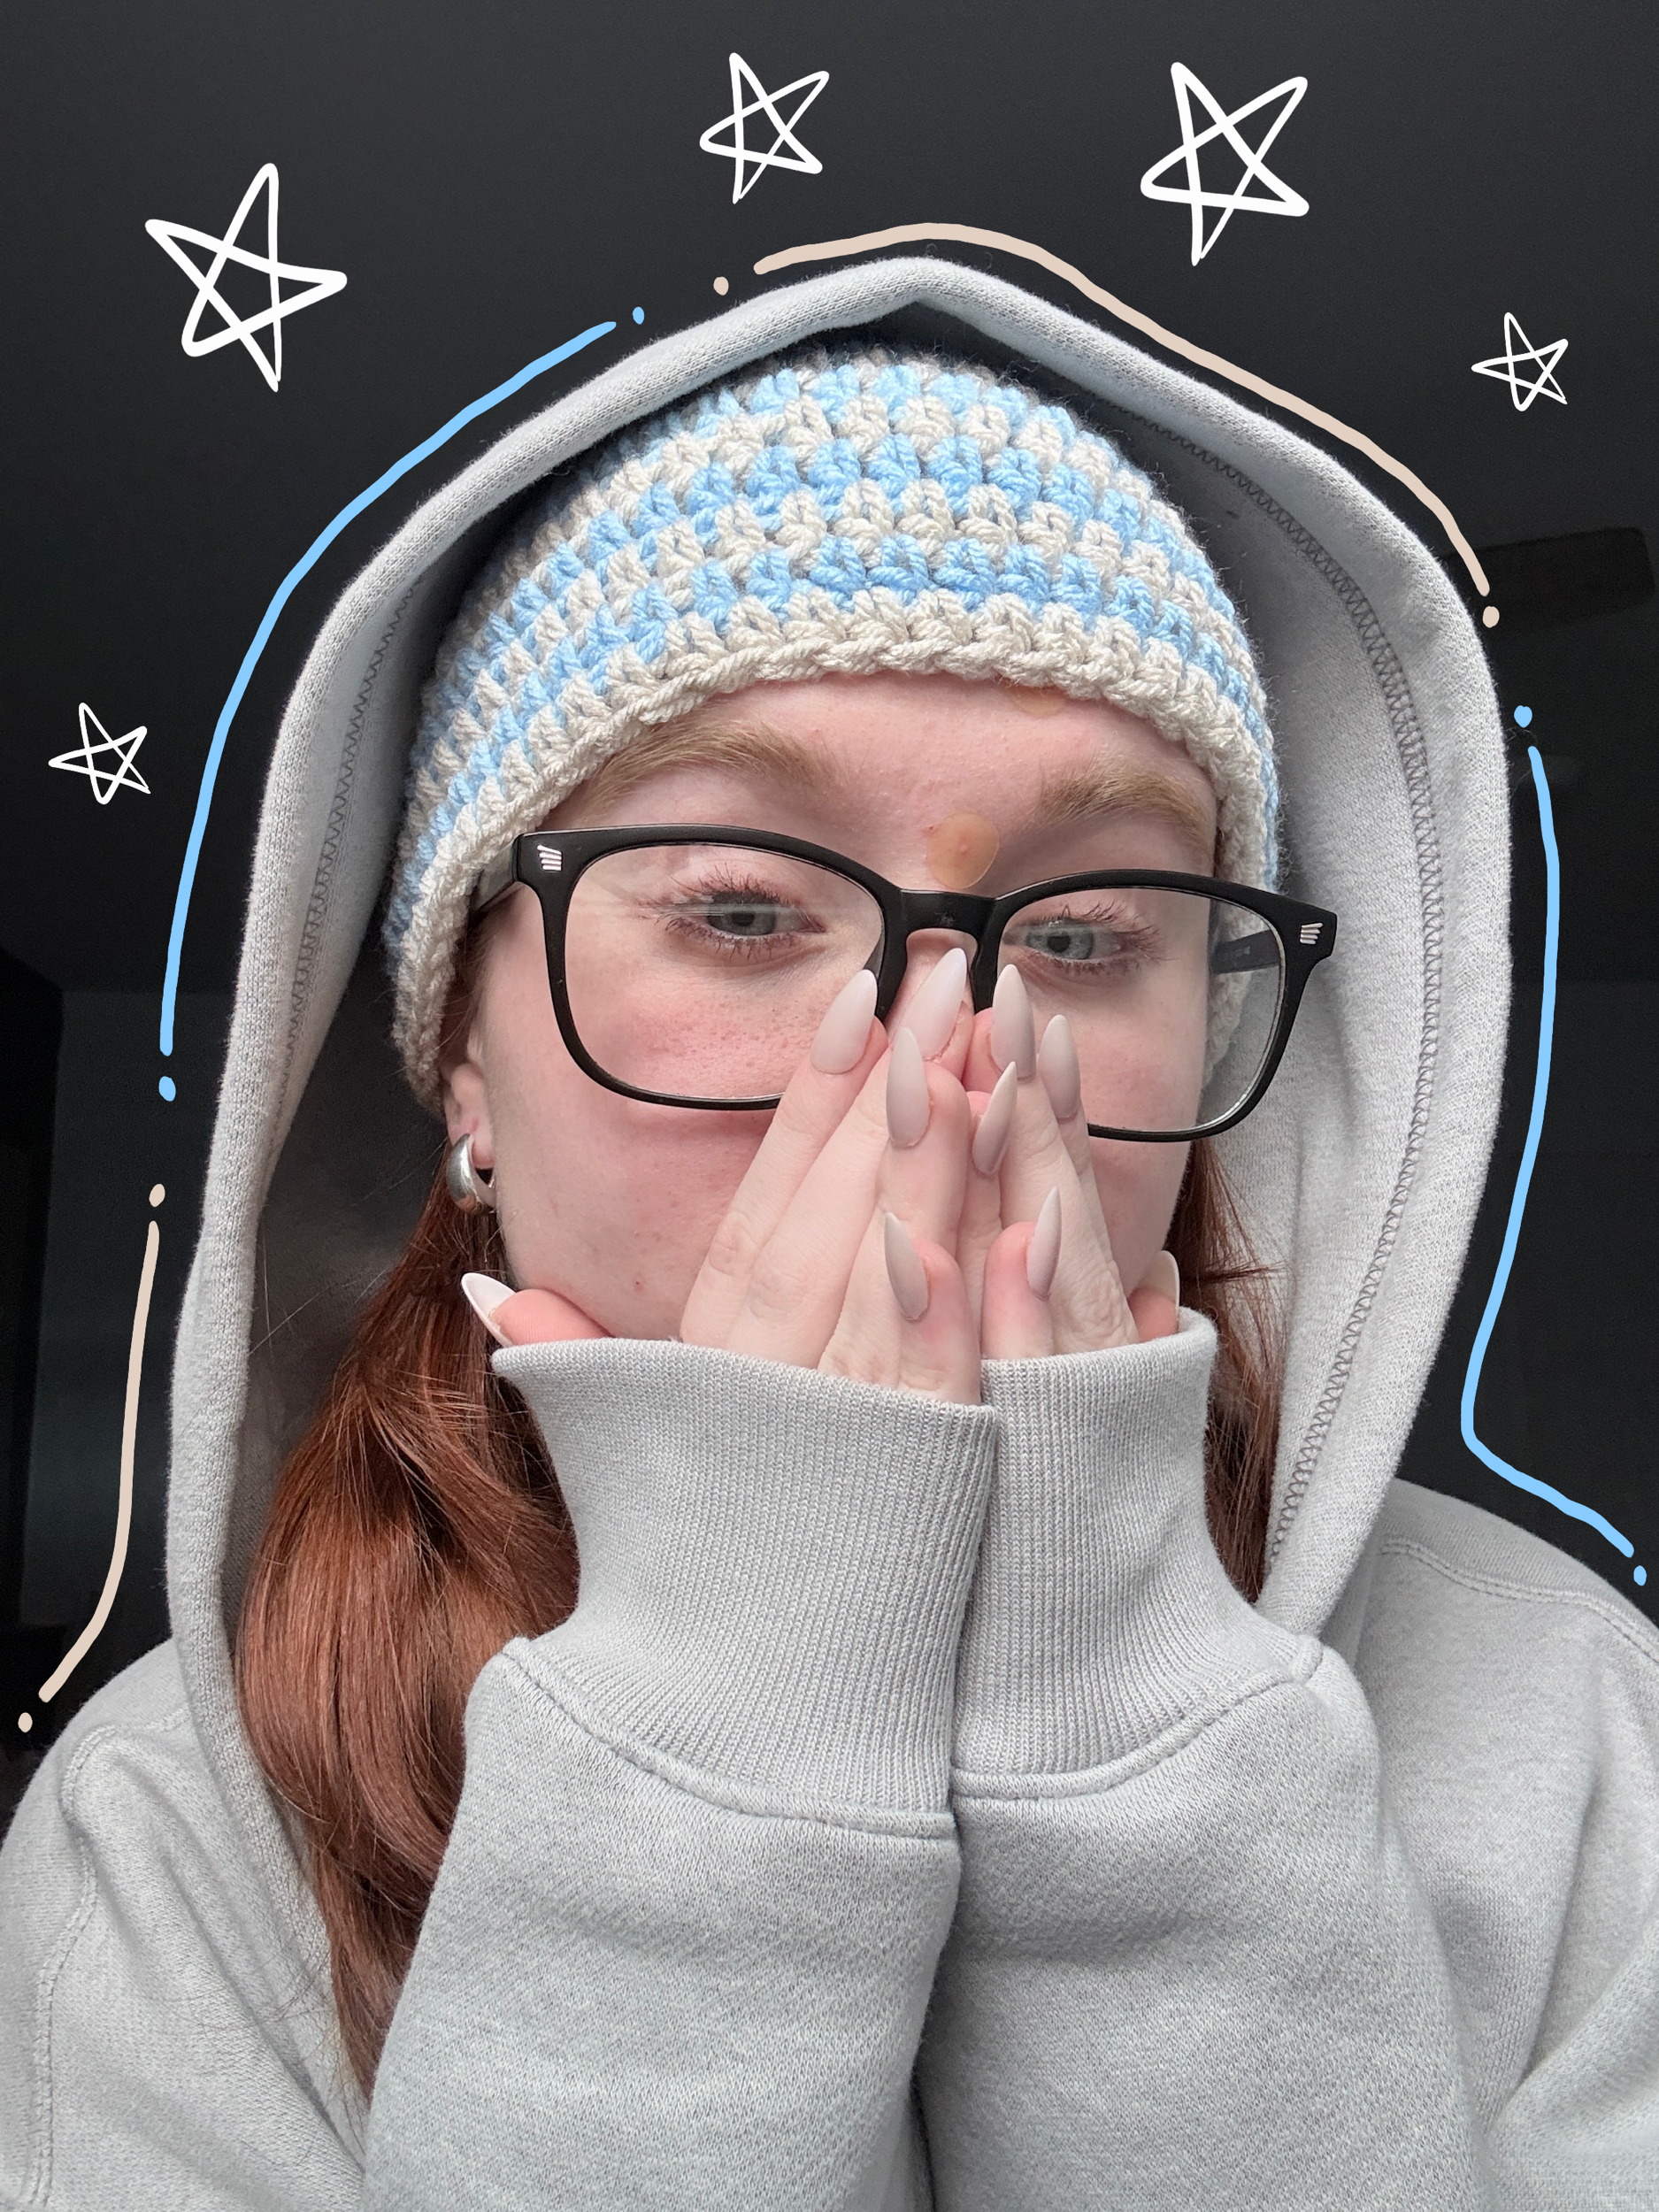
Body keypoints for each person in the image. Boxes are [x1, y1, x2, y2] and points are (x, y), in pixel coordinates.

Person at [3, 262, 1655, 2211]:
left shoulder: (1574, 1724)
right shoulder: (170, 1836)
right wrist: (732, 1717)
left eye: (1080, 933)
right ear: (462, 1060)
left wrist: (1126, 1733)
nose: (937, 1051)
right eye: (736, 910)